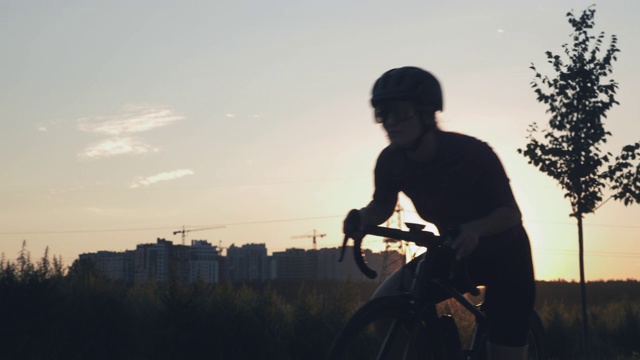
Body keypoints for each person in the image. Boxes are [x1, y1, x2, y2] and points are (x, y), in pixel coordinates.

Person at [343, 66, 535, 360]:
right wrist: (363, 218)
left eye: (400, 111)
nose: (390, 123)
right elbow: (381, 205)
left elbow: (510, 214)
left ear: (427, 113)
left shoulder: (472, 154)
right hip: (454, 249)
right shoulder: (391, 161)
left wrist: (475, 229)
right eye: (383, 113)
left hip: (505, 253)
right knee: (384, 305)